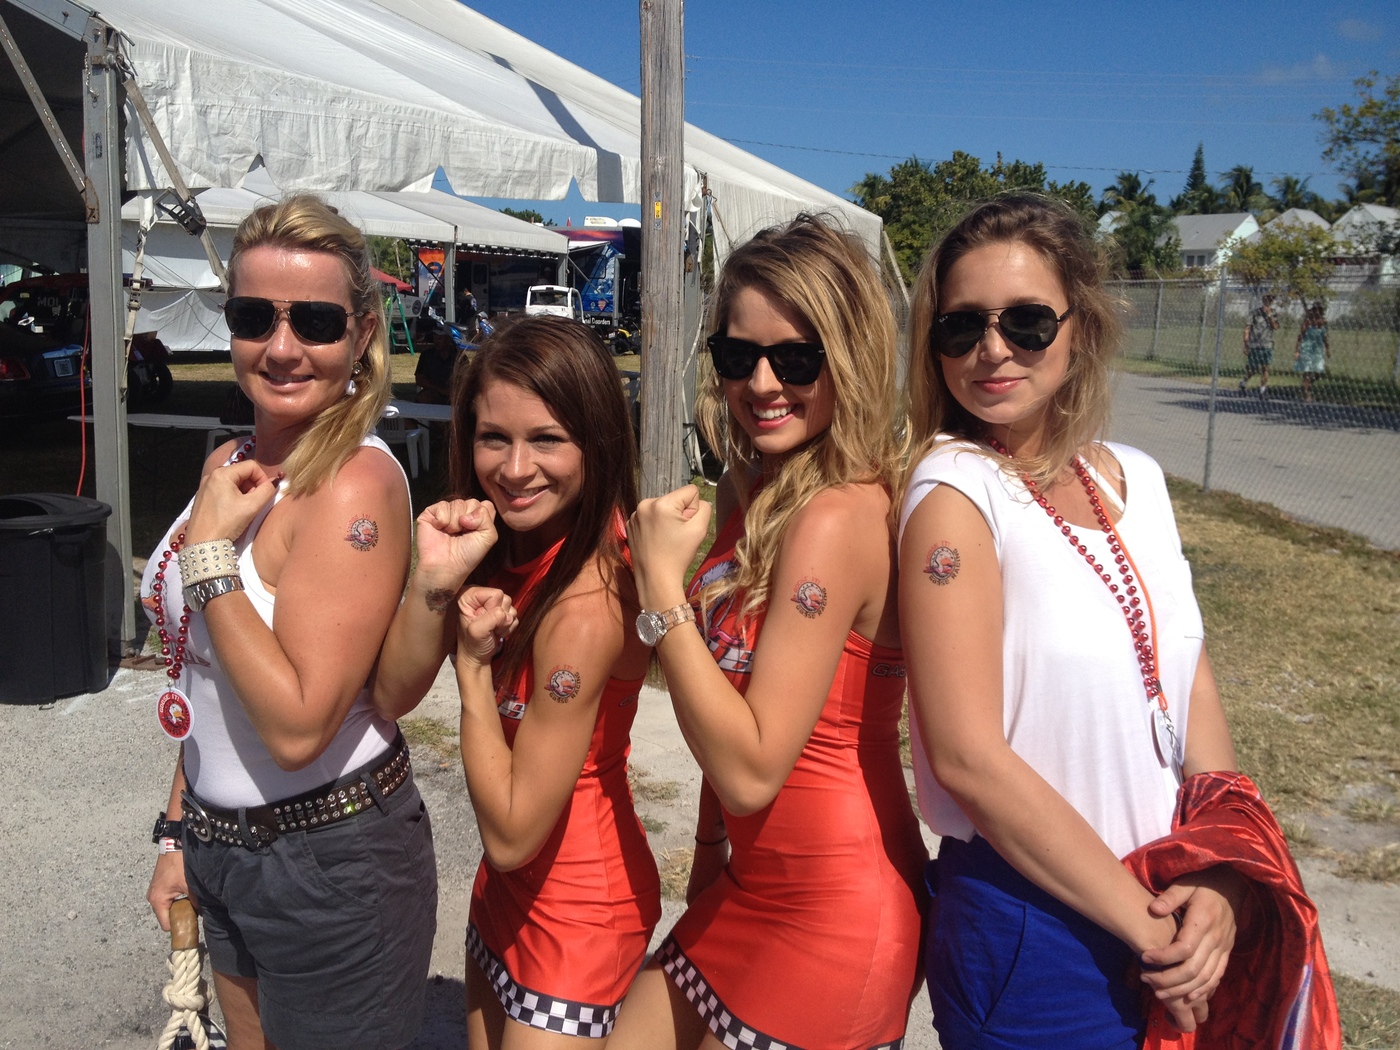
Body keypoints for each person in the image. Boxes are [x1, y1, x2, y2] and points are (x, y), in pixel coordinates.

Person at [898, 193, 1250, 1049]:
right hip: (1037, 928)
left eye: (1026, 322)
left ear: (1079, 327)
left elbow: (1190, 682)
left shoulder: (1138, 478)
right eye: (961, 327)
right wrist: (1149, 927)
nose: (992, 350)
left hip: (1169, 902)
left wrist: (1222, 866)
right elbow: (967, 757)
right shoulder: (954, 492)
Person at [609, 214, 927, 1050]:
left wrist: (660, 588)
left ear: (849, 358)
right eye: (736, 355)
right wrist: (710, 845)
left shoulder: (836, 516)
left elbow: (751, 770)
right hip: (751, 885)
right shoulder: (756, 486)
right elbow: (728, 693)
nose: (760, 383)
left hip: (835, 914)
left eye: (795, 359)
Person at [142, 194, 437, 1050]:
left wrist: (209, 560)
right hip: (219, 843)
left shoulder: (353, 486)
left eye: (314, 321)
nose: (280, 348)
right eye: (252, 317)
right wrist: (176, 831)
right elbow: (203, 670)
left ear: (362, 332)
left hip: (328, 859)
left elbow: (301, 727)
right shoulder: (230, 463)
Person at [371, 315, 660, 1048]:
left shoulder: (588, 603)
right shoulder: (511, 545)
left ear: (598, 441)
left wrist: (472, 671)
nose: (515, 468)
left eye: (548, 439)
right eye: (494, 437)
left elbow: (511, 833)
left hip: (578, 912)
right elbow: (391, 695)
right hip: (504, 896)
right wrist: (434, 581)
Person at [1239, 292, 1278, 396]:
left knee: (1266, 368)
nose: (1268, 301)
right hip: (1255, 344)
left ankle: (1262, 389)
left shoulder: (1274, 312)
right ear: (1263, 300)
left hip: (1267, 344)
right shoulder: (1255, 313)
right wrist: (1246, 344)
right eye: (1266, 299)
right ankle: (1243, 382)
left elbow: (1275, 327)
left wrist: (1269, 314)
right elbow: (1247, 328)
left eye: (1270, 299)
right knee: (1253, 368)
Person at [1294, 300, 1329, 402]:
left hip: (1318, 349)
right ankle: (1307, 394)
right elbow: (1300, 337)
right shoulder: (1307, 322)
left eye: (1319, 310)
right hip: (1307, 349)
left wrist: (1327, 349)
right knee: (1308, 371)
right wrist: (1297, 351)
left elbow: (1325, 337)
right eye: (1315, 309)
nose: (1317, 311)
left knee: (1319, 372)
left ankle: (1306, 384)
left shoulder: (1324, 323)